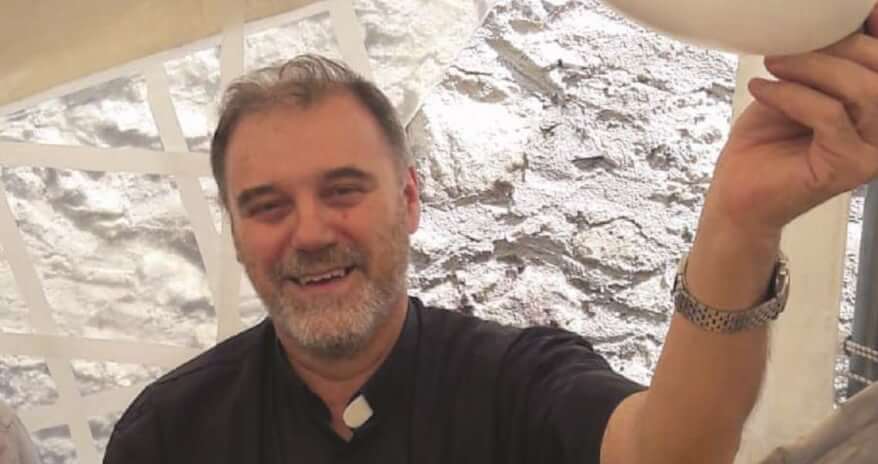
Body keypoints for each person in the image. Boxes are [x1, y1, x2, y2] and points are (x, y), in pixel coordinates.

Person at [104, 6, 878, 463]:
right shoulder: (170, 433)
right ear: (236, 232)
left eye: (343, 190)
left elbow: (667, 455)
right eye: (268, 206)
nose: (309, 232)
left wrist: (739, 221)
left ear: (409, 199)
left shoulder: (515, 383)